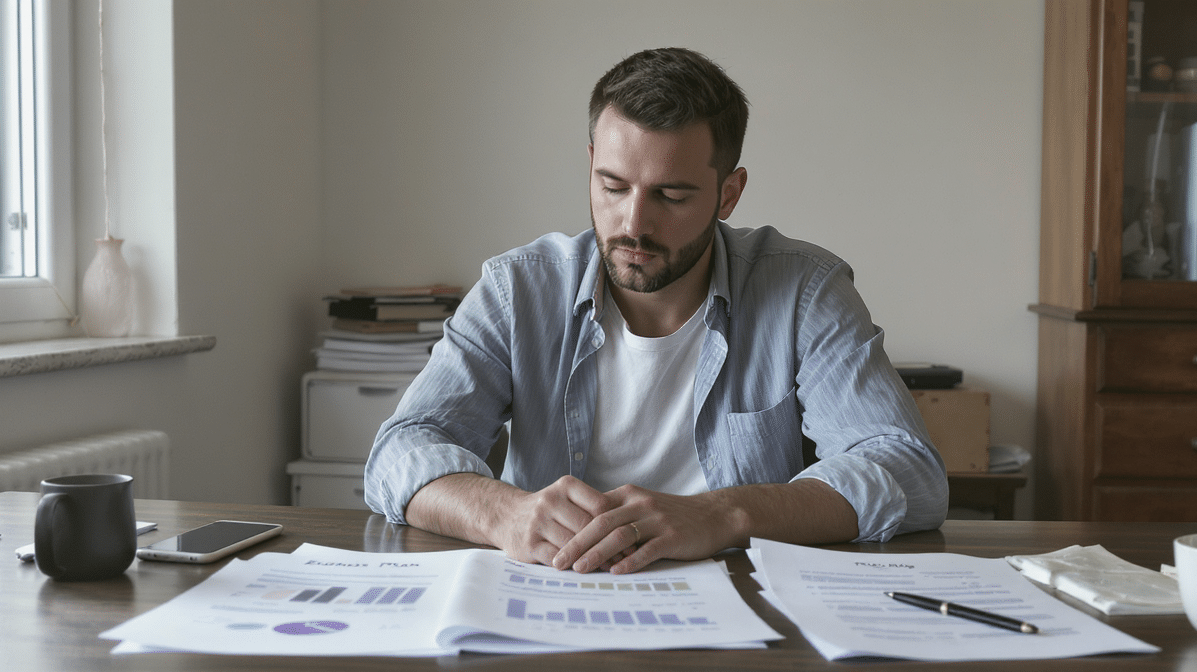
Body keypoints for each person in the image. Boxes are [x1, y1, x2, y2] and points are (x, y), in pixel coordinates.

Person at [365, 47, 946, 575]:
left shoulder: (804, 290)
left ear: (729, 193)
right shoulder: (519, 289)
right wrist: (504, 514)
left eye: (671, 195)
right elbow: (400, 450)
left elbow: (906, 469)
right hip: (548, 593)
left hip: (741, 601)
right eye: (612, 186)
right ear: (590, 162)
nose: (633, 224)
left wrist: (723, 514)